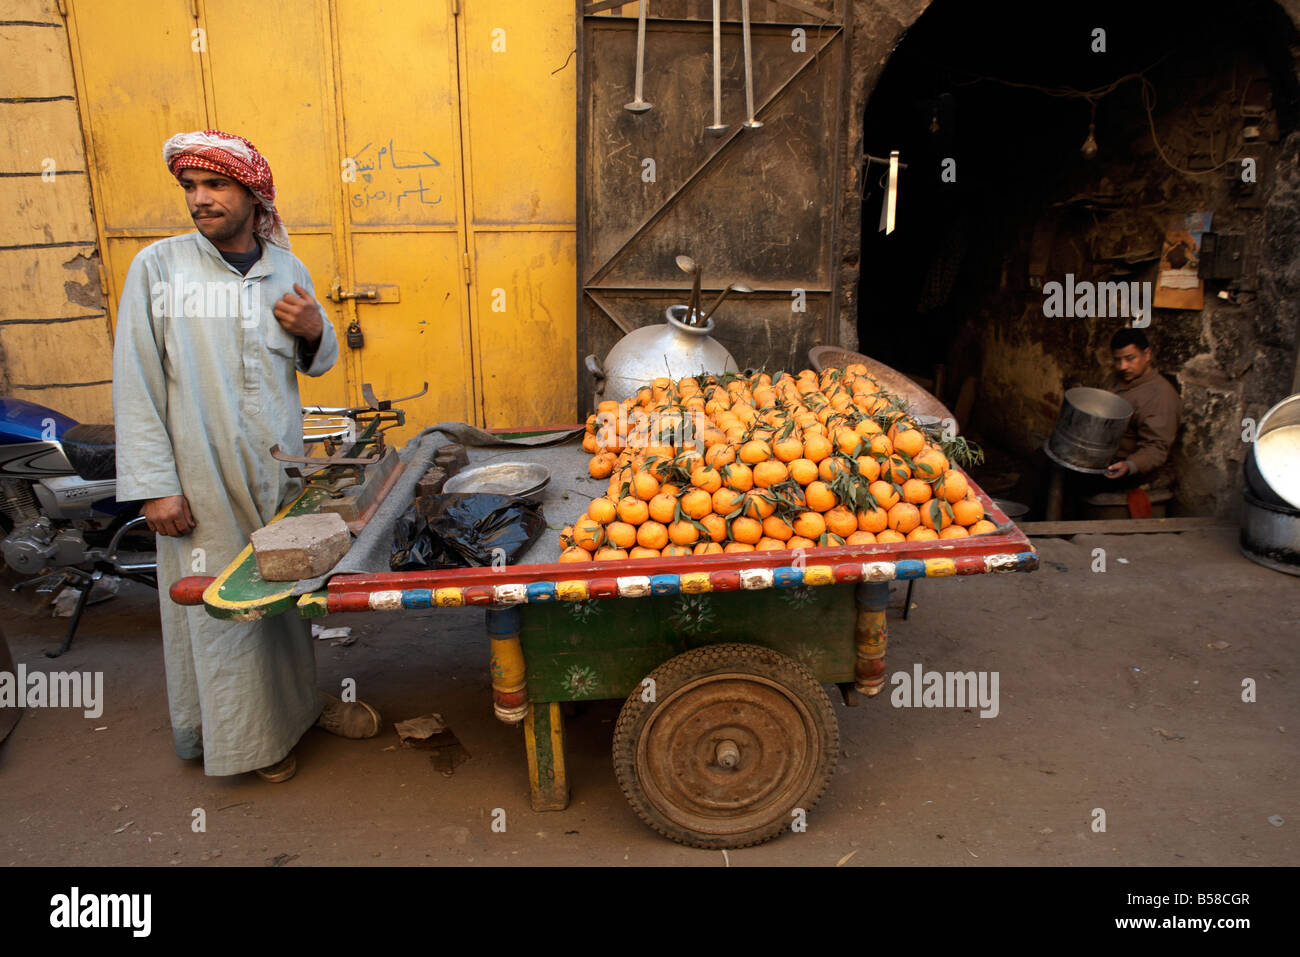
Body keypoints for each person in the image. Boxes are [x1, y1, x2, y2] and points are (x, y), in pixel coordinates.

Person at [113, 130, 380, 783]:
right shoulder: (160, 267)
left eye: (214, 186)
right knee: (222, 609)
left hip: (275, 469)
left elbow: (313, 366)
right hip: (199, 475)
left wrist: (316, 331)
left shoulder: (287, 270)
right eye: (190, 188)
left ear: (253, 195)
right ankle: (249, 742)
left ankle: (296, 708)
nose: (199, 200)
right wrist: (154, 485)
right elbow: (136, 379)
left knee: (283, 598)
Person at [1103, 328, 1181, 488]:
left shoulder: (1160, 395)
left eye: (1130, 358)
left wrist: (1130, 465)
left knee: (1068, 479)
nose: (1122, 366)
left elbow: (1157, 447)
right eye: (1117, 360)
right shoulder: (1114, 380)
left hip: (1129, 470)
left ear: (1147, 355)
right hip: (1103, 457)